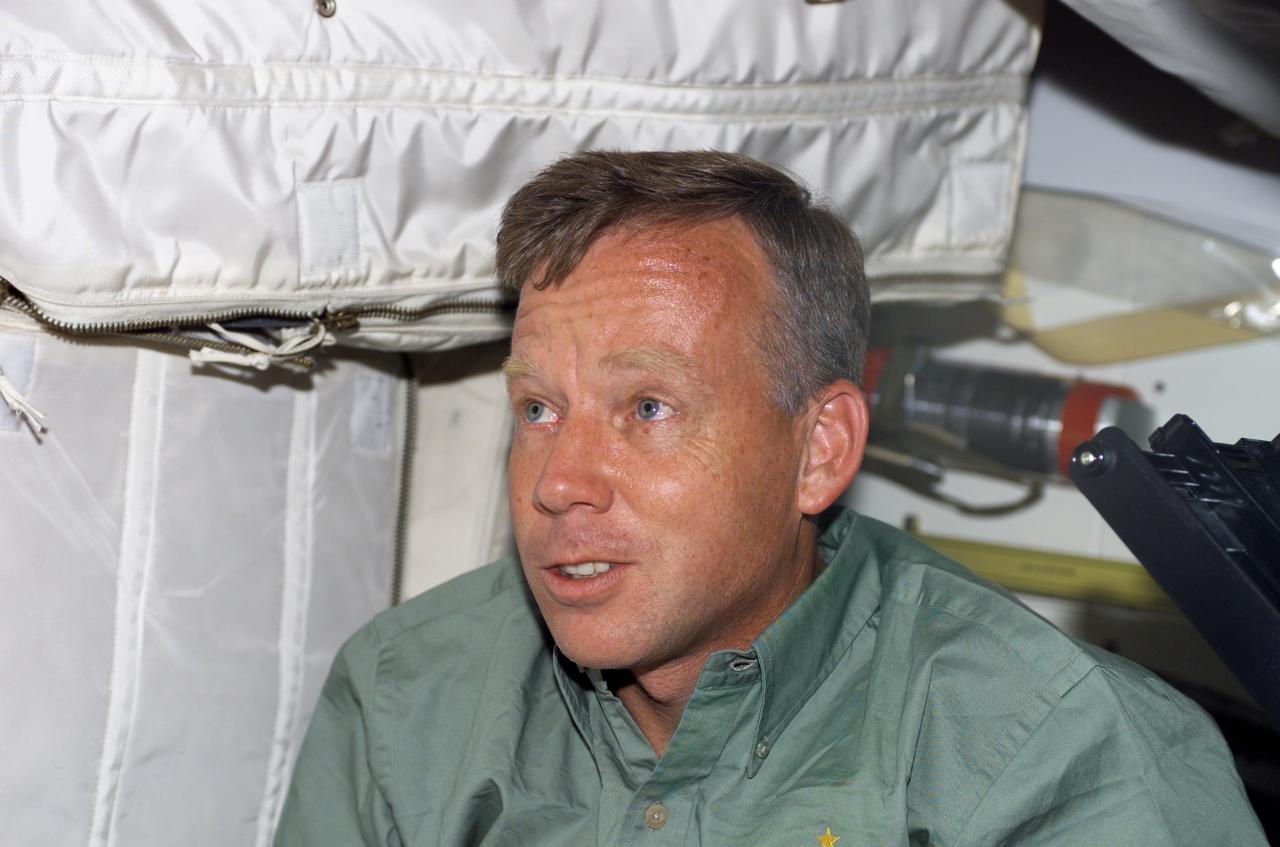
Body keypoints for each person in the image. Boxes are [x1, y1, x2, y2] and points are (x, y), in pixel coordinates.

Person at [275, 151, 1265, 845]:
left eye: (647, 405)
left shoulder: (1055, 753)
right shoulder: (406, 696)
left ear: (818, 449)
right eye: (537, 407)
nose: (557, 482)